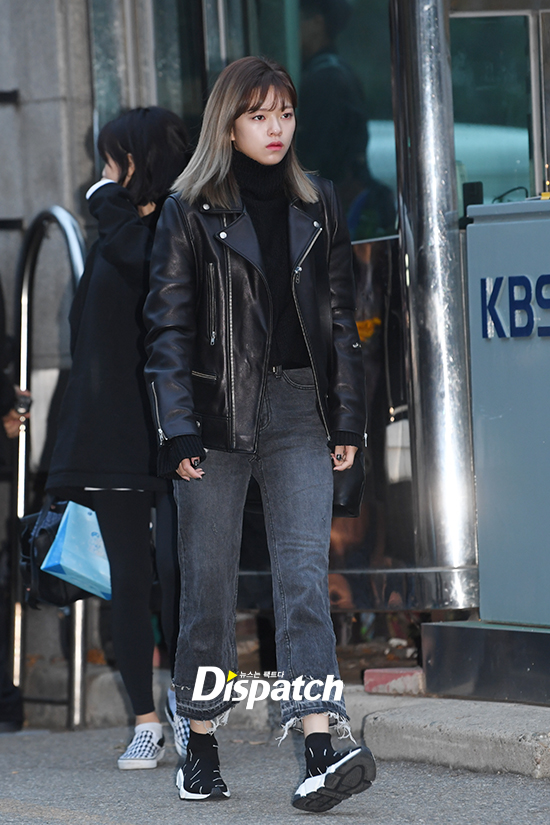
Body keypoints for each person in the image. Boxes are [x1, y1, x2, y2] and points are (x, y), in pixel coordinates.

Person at [144, 56, 376, 812]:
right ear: (228, 125)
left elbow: (340, 321)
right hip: (214, 416)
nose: (276, 128)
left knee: (303, 578)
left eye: (285, 113)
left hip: (298, 408)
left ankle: (320, 745)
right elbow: (167, 330)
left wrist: (346, 416)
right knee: (209, 586)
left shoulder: (318, 202)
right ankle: (199, 737)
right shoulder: (188, 209)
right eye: (259, 115)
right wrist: (177, 428)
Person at [46, 107, 189, 769]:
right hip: (115, 437)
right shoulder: (117, 232)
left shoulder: (174, 223)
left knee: (183, 575)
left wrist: (108, 201)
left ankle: (191, 705)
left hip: (177, 428)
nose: (102, 173)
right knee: (130, 579)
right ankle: (146, 719)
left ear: (137, 161)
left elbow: (148, 261)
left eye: (112, 160)